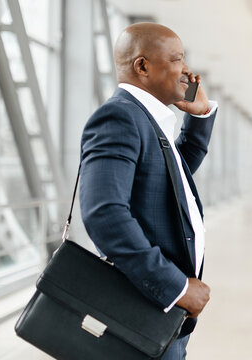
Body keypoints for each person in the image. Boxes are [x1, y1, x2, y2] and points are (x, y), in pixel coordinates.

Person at [79, 22, 216, 359]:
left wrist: (199, 115)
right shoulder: (120, 117)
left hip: (161, 315)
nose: (187, 71)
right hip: (142, 311)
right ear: (142, 66)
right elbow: (104, 214)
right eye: (177, 59)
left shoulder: (146, 119)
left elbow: (174, 173)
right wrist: (177, 287)